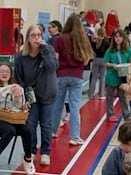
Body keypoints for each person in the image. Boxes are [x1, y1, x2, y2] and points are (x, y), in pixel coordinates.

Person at [15, 25, 58, 166]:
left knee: (46, 124)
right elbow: (19, 79)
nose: (36, 38)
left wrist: (44, 49)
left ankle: (45, 152)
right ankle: (31, 151)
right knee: (30, 124)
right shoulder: (21, 57)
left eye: (39, 35)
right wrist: (23, 99)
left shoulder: (48, 50)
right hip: (31, 94)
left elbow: (52, 67)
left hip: (48, 92)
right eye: (33, 35)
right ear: (28, 38)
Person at [0, 62, 35, 175]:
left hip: (10, 117)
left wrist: (22, 101)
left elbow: (18, 105)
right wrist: (10, 89)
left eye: (7, 71)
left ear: (11, 74)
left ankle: (27, 158)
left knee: (26, 129)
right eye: (1, 71)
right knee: (10, 131)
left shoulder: (14, 86)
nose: (4, 73)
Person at [51, 13, 93, 147]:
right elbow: (86, 61)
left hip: (61, 74)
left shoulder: (59, 39)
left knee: (57, 104)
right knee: (74, 106)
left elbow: (55, 59)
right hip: (77, 75)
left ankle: (52, 131)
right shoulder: (82, 39)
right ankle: (74, 137)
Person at [104, 29, 131, 122]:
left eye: (120, 37)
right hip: (111, 76)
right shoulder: (110, 51)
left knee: (123, 97)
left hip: (123, 77)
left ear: (124, 38)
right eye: (116, 37)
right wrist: (113, 65)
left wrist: (127, 67)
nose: (118, 39)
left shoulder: (128, 51)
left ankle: (126, 114)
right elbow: (105, 62)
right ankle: (110, 114)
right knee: (109, 97)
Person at [88, 26, 109, 100]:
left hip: (96, 60)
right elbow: (107, 51)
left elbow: (92, 50)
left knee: (94, 78)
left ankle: (90, 94)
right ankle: (101, 94)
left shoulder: (95, 41)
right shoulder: (106, 42)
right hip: (103, 60)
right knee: (102, 78)